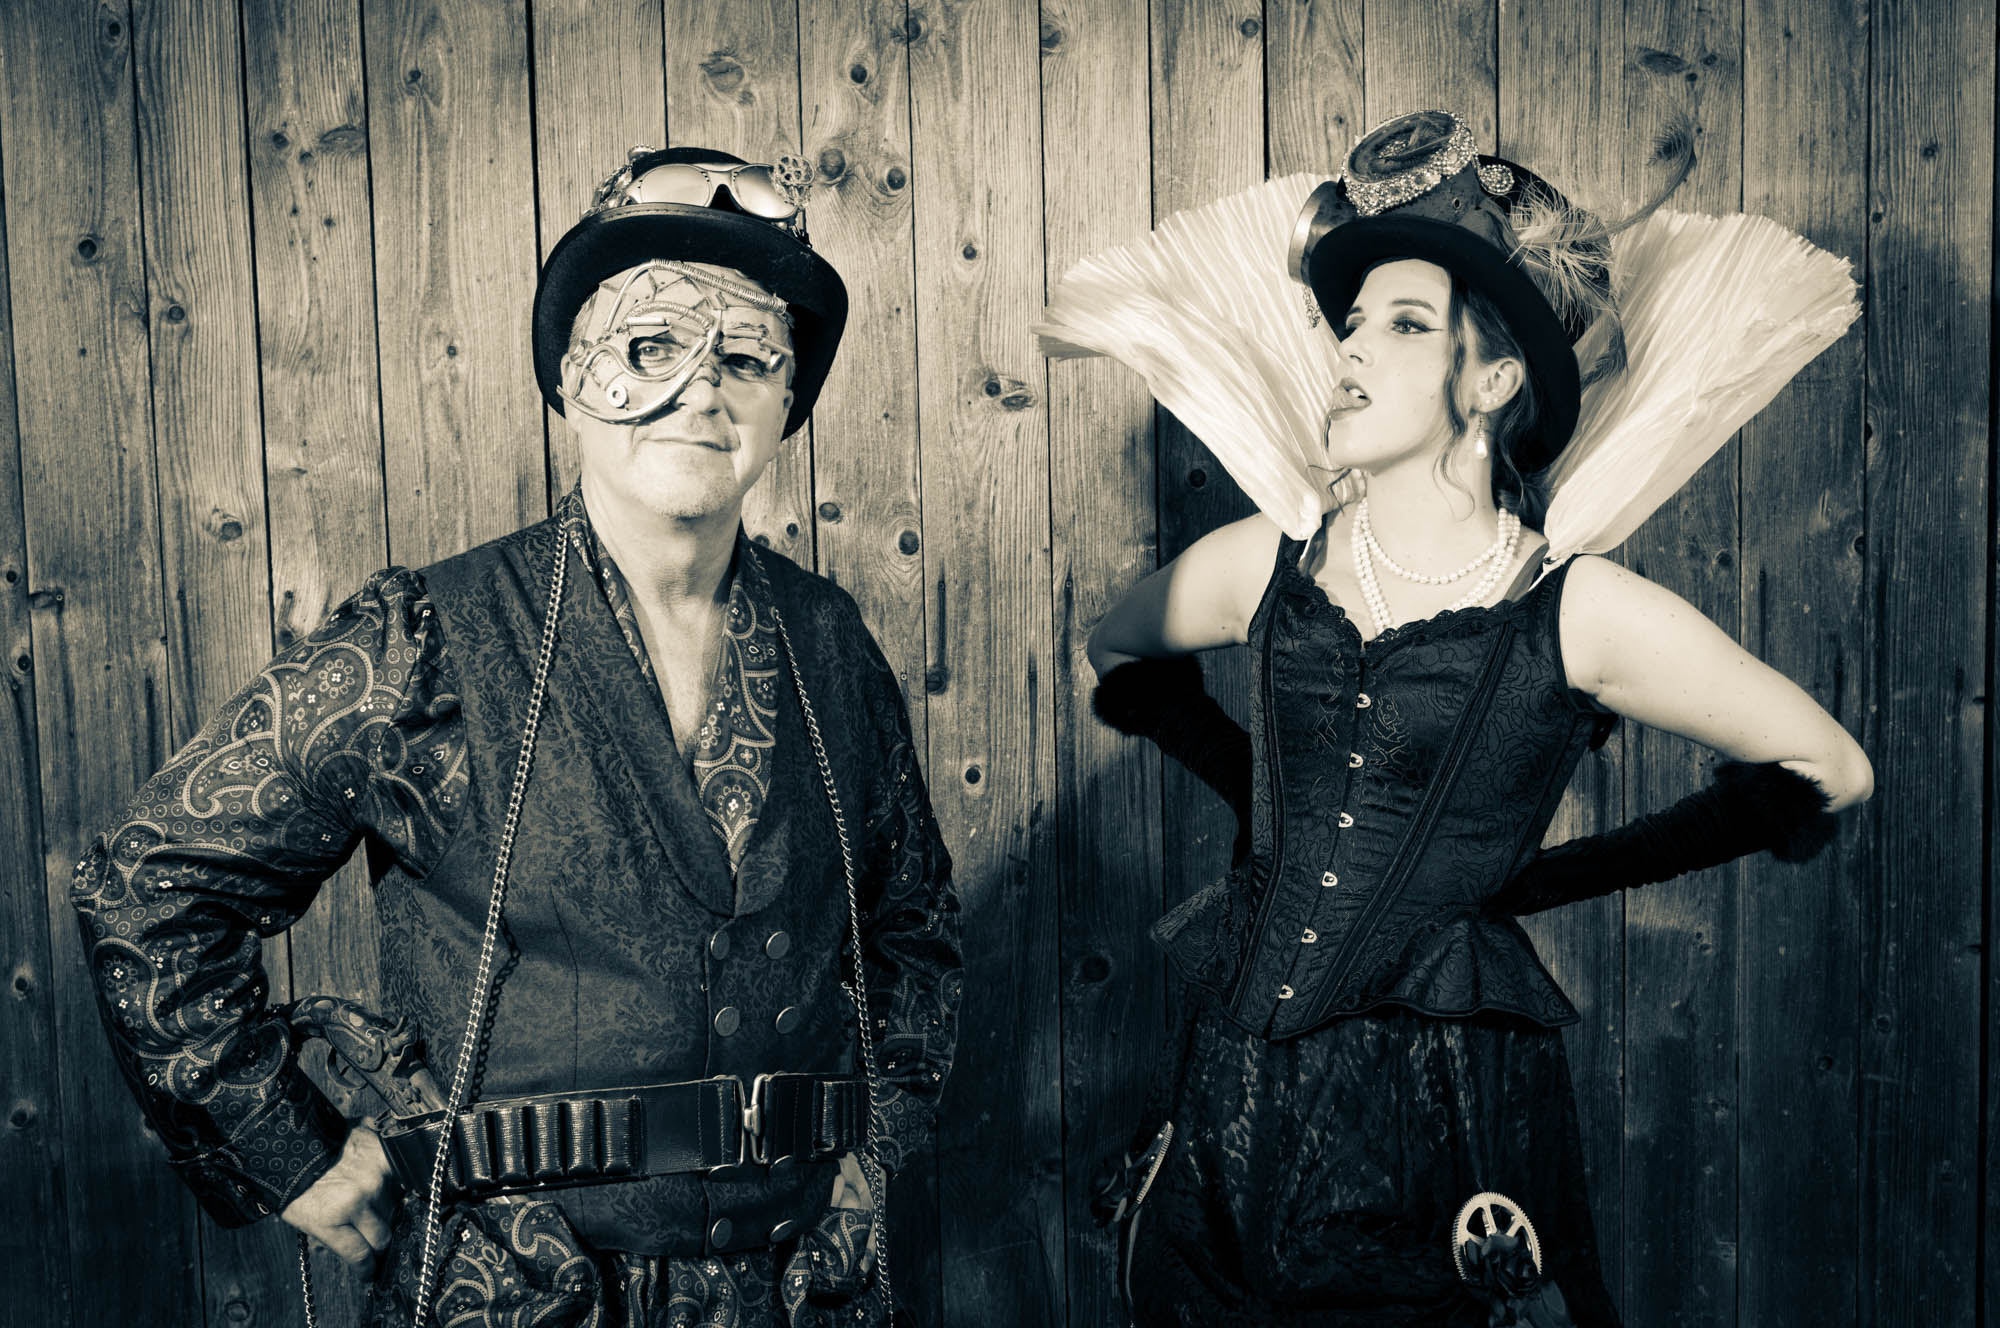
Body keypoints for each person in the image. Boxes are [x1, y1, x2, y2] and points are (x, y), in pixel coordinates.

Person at [71, 145, 961, 1328]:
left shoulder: (826, 638)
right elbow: (147, 879)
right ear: (565, 383)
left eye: (746, 356)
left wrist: (870, 1154)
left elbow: (913, 928)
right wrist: (285, 1147)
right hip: (520, 1290)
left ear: (785, 402)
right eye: (649, 347)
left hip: (801, 1292)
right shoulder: (424, 639)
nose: (701, 388)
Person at [1083, 111, 1872, 1325]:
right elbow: (1118, 645)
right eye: (1348, 324)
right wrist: (1253, 792)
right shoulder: (1268, 562)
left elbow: (1829, 763)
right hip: (1230, 1089)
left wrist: (1531, 880)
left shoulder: (1576, 606)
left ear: (1492, 380)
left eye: (1402, 326)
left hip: (1443, 1114)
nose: (1350, 352)